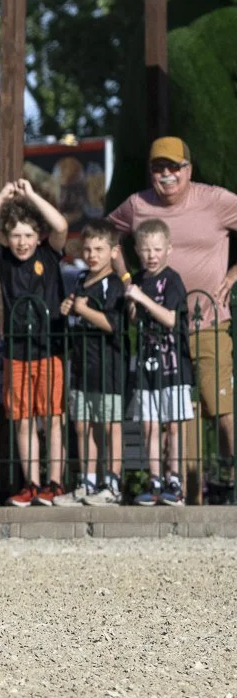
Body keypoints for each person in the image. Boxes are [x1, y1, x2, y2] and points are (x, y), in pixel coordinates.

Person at [108, 137, 237, 502]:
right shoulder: (137, 204)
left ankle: (231, 479)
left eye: (173, 167)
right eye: (157, 168)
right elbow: (108, 239)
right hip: (160, 334)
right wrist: (126, 279)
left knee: (219, 405)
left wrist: (232, 275)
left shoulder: (215, 200)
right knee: (180, 413)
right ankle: (189, 494)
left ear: (188, 170)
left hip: (209, 321)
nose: (166, 175)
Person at [0, 179, 70, 507]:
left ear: (38, 236)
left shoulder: (50, 253)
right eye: (15, 235)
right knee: (23, 419)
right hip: (16, 351)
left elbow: (61, 225)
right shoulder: (3, 260)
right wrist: (1, 196)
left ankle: (54, 483)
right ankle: (32, 483)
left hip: (50, 347)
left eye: (28, 235)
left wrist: (30, 195)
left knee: (53, 418)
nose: (22, 242)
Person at [53, 222, 128, 507]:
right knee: (83, 425)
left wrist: (83, 309)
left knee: (110, 425)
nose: (92, 254)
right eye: (87, 249)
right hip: (82, 364)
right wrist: (69, 310)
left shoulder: (115, 284)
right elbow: (76, 317)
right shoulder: (82, 278)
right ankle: (87, 481)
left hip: (108, 364)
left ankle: (112, 483)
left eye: (99, 249)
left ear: (113, 252)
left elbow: (113, 323)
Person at [124, 219, 192, 506]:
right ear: (138, 251)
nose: (152, 255)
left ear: (168, 249)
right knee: (150, 426)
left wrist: (143, 300)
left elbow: (172, 319)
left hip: (173, 363)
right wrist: (131, 304)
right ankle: (154, 480)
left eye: (157, 249)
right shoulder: (138, 280)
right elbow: (133, 320)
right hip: (147, 362)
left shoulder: (172, 279)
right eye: (146, 250)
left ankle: (173, 479)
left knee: (173, 426)